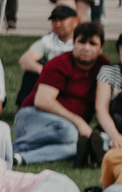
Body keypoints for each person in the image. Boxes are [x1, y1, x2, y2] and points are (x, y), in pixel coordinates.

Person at [12, 21, 104, 165]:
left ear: (101, 48)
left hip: (68, 126)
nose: (86, 48)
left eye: (92, 44)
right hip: (31, 116)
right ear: (73, 43)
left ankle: (19, 158)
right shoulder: (59, 63)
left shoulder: (102, 66)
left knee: (78, 145)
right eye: (81, 42)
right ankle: (11, 148)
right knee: (68, 132)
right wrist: (79, 122)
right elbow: (42, 101)